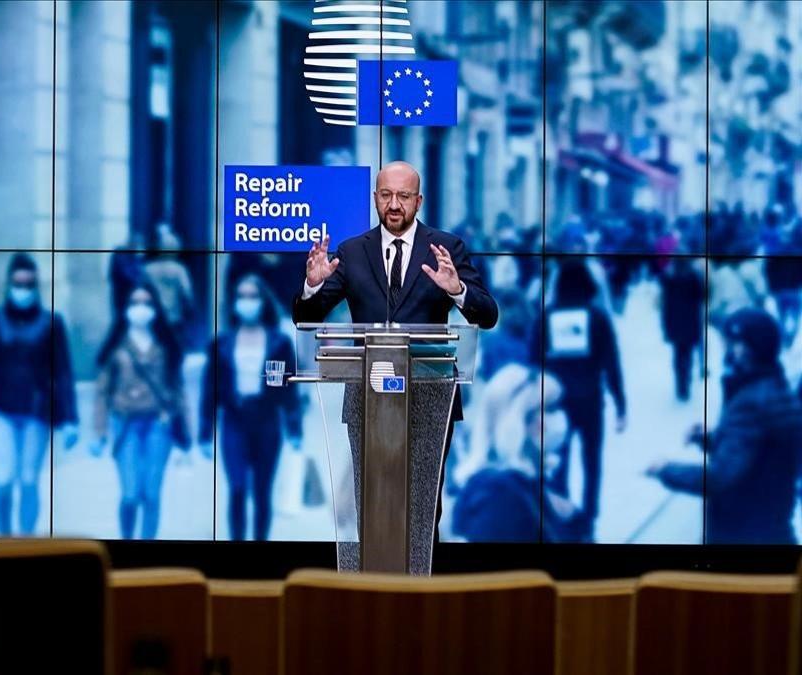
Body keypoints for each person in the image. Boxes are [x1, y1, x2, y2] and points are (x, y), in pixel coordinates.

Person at [292, 161, 498, 563]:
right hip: (368, 400)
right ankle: (371, 599)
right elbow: (306, 316)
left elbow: (487, 315)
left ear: (418, 201)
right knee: (372, 507)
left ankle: (420, 599)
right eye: (386, 195)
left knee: (423, 511)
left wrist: (457, 291)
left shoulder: (447, 248)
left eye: (403, 196)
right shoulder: (353, 251)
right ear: (375, 199)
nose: (394, 204)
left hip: (429, 399)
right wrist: (312, 285)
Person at [648, 308, 802, 544]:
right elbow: (757, 452)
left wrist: (666, 469)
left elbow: (720, 476)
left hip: (743, 531)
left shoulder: (752, 401)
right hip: (770, 524)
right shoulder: (774, 389)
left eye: (731, 343)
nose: (727, 351)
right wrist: (712, 438)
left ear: (747, 349)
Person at [0, 254, 78, 536]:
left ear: (36, 286)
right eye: (17, 283)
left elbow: (63, 372)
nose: (22, 289)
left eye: (28, 283)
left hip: (37, 410)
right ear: (9, 284)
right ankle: (3, 534)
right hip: (0, 408)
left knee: (28, 478)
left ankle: (25, 537)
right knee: (3, 478)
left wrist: (71, 418)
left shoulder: (52, 323)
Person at [199, 274, 303, 541]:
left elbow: (289, 388)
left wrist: (295, 427)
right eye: (242, 297)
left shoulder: (279, 342)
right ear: (234, 302)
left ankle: (259, 545)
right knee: (236, 487)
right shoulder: (220, 343)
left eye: (253, 296)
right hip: (234, 422)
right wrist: (204, 430)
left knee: (262, 490)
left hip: (267, 422)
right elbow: (209, 388)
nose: (247, 302)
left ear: (262, 301)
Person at [92, 280, 189, 540]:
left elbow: (179, 391)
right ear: (125, 308)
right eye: (135, 303)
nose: (141, 308)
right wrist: (99, 431)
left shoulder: (167, 346)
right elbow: (102, 391)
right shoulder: (116, 346)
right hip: (124, 424)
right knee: (130, 494)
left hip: (160, 424)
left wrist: (186, 437)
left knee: (151, 494)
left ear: (156, 308)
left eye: (147, 303)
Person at [539, 259, 626, 541]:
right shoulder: (597, 316)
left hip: (556, 402)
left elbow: (531, 359)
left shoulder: (547, 316)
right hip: (591, 400)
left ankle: (560, 516)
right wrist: (621, 405)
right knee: (592, 461)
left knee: (557, 460)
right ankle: (588, 520)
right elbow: (612, 362)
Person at [659, 258, 705, 402]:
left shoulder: (668, 277)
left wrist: (664, 325)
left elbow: (665, 301)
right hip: (691, 320)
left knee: (678, 354)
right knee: (688, 354)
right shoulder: (693, 276)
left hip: (673, 320)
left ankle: (680, 385)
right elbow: (701, 296)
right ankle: (686, 385)